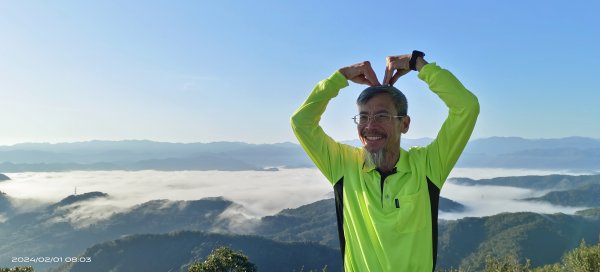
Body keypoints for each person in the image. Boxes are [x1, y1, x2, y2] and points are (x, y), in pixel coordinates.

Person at [290, 51, 479, 271]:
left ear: (405, 124)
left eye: (382, 116)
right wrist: (340, 77)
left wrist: (418, 64)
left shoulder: (427, 166)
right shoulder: (345, 165)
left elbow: (466, 107)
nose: (369, 126)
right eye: (363, 117)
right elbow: (300, 122)